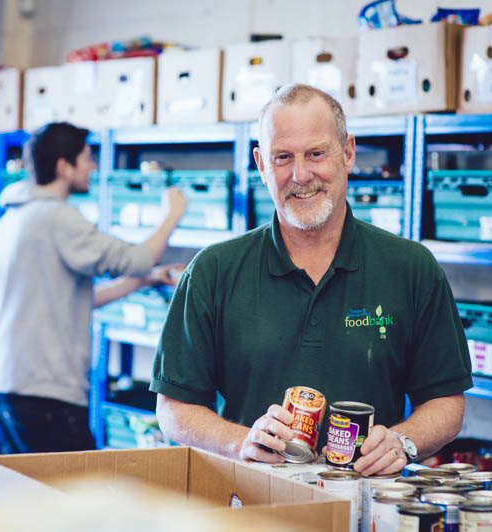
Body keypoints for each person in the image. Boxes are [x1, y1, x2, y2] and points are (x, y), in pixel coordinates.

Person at [150, 84, 472, 475]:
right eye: (282, 157)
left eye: (316, 154)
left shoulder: (411, 268)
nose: (301, 175)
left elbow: (446, 402)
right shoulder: (214, 271)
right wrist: (240, 443)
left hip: (366, 506)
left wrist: (403, 441)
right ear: (261, 164)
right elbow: (173, 409)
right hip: (250, 504)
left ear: (348, 152)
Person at [0, 122, 187, 454]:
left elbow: (76, 299)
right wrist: (171, 216)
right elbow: (137, 257)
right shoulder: (57, 218)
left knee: (25, 497)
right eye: (86, 158)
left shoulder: (13, 218)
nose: (93, 167)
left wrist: (145, 280)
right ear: (64, 167)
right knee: (74, 496)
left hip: (8, 386)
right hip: (45, 394)